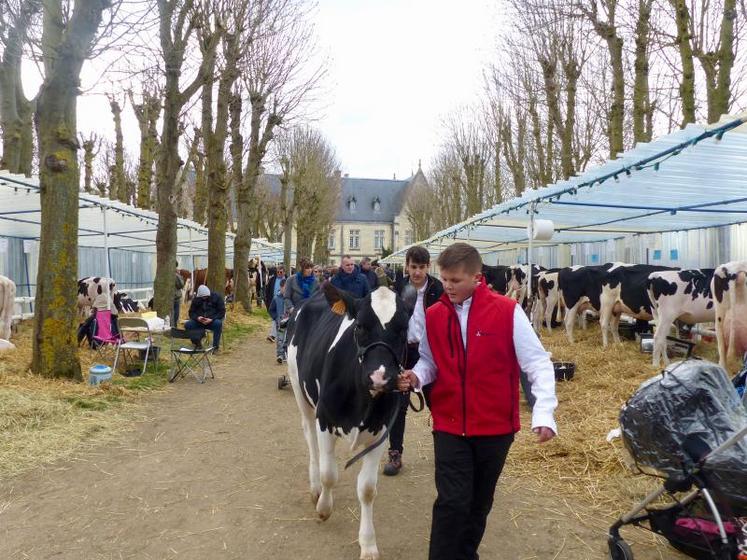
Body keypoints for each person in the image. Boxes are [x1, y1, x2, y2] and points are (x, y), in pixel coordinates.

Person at [397, 242, 557, 560]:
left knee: (478, 504)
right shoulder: (434, 314)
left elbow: (538, 363)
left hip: (495, 429)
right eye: (444, 279)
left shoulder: (507, 312)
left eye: (455, 280)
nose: (448, 286)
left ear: (476, 277)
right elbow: (429, 362)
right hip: (449, 424)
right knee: (451, 502)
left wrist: (544, 411)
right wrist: (416, 377)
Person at [383, 245, 443, 476]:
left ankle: (444, 451)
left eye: (422, 267)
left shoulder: (438, 289)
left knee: (437, 402)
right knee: (398, 406)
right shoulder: (397, 289)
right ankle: (395, 453)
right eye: (413, 267)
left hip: (431, 354)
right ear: (407, 266)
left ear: (429, 266)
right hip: (403, 353)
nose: (417, 272)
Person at [185, 284, 226, 353]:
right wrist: (197, 318)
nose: (204, 298)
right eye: (202, 297)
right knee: (188, 325)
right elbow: (191, 312)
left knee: (218, 324)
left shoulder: (217, 297)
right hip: (199, 321)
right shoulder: (196, 299)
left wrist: (212, 319)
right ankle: (197, 343)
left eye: (205, 297)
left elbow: (222, 312)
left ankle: (215, 347)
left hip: (212, 321)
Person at [264, 265, 285, 343]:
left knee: (277, 318)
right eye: (278, 272)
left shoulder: (287, 280)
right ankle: (275, 335)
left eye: (281, 272)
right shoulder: (272, 279)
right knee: (275, 317)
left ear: (284, 272)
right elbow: (268, 289)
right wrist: (267, 300)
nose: (279, 273)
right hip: (273, 301)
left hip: (282, 301)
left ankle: (273, 335)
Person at [268, 277, 288, 364]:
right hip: (280, 322)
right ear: (281, 287)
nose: (286, 290)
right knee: (280, 339)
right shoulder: (276, 298)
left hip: (289, 322)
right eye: (285, 288)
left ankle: (285, 354)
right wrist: (275, 318)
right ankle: (280, 355)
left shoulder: (290, 298)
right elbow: (271, 309)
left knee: (287, 339)